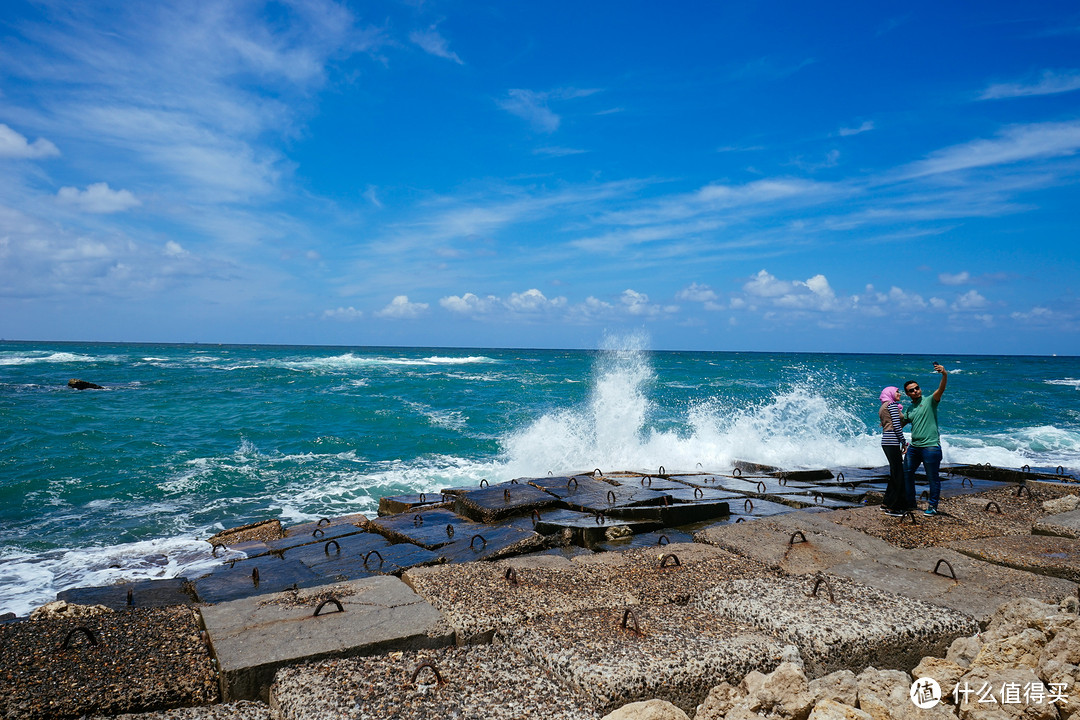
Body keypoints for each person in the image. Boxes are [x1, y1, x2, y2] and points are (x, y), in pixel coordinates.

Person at [903, 362, 948, 516]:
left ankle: (933, 506)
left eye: (917, 388)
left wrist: (944, 374)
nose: (916, 391)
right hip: (914, 447)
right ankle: (910, 503)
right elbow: (899, 424)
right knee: (907, 473)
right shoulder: (909, 409)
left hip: (930, 447)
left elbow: (941, 389)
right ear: (907, 394)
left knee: (932, 478)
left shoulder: (930, 401)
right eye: (911, 390)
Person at [878, 386, 908, 516]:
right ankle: (894, 508)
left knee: (895, 473)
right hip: (892, 441)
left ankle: (886, 503)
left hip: (886, 441)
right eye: (897, 391)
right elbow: (896, 425)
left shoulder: (884, 406)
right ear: (890, 393)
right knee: (899, 475)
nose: (899, 393)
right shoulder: (892, 405)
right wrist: (904, 442)